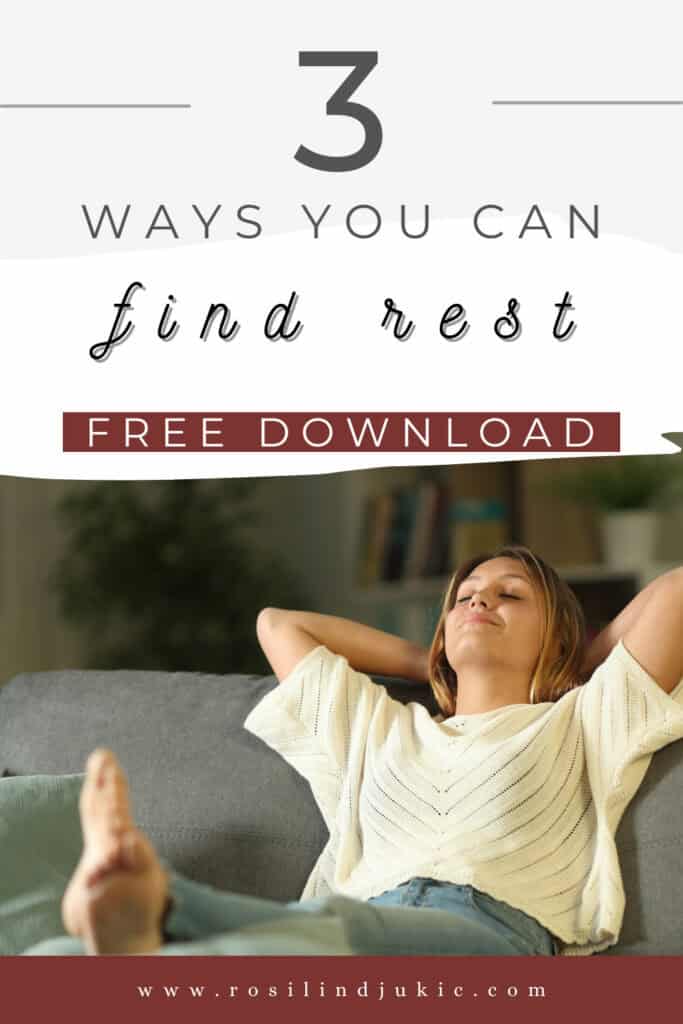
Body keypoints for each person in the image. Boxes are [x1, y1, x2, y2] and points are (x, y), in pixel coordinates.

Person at [56, 545, 683, 957]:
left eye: (510, 595)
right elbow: (277, 624)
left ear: (559, 638)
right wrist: (429, 659)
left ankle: (160, 905)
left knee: (334, 944)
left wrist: (578, 665)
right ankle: (140, 920)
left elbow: (676, 591)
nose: (478, 602)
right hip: (351, 922)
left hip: (488, 937)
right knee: (57, 959)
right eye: (464, 598)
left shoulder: (584, 721)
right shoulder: (377, 727)